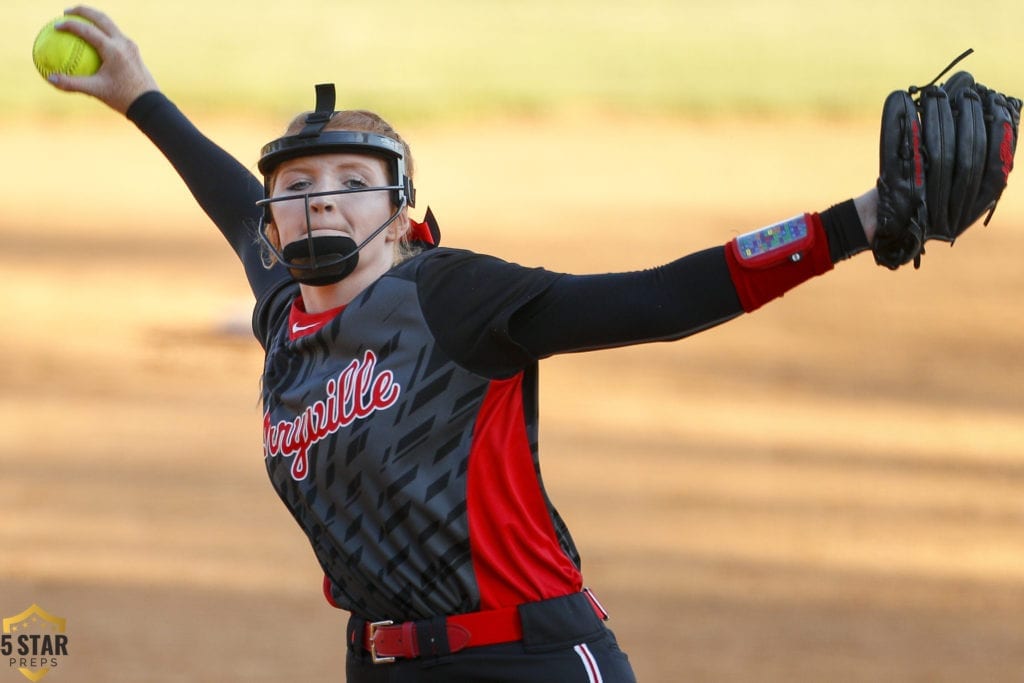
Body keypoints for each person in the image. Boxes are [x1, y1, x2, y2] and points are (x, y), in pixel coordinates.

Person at [44, 7, 1017, 683]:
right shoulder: (284, 315)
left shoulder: (455, 295)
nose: (321, 196)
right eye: (297, 184)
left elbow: (658, 299)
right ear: (276, 222)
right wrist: (140, 95)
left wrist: (854, 220)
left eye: (351, 177)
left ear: (401, 210)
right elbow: (230, 199)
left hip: (533, 659)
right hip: (378, 661)